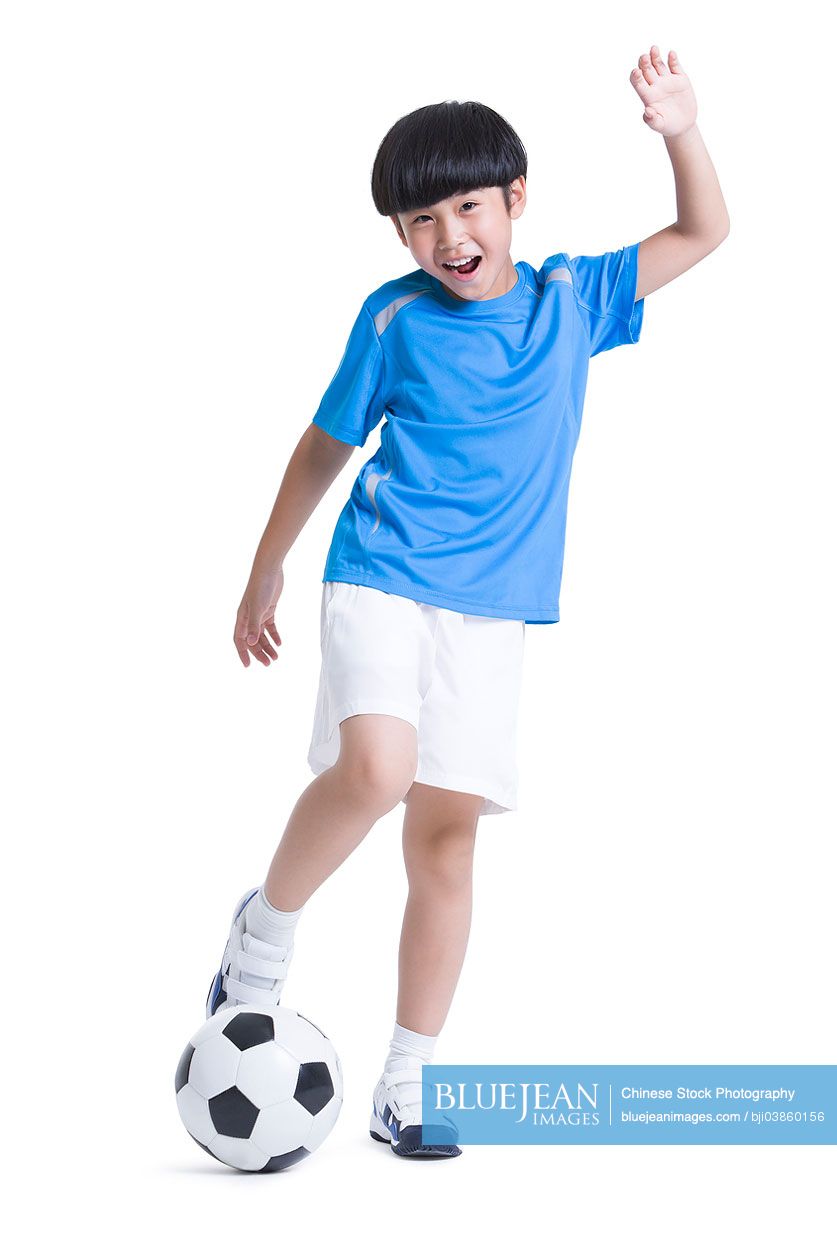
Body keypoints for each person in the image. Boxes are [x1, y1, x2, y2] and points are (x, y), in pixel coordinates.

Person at [206, 47, 730, 1159]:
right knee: (377, 770)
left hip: (494, 613)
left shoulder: (571, 299)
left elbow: (701, 233)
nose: (450, 236)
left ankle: (406, 1083)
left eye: (468, 206)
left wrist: (680, 128)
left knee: (445, 844)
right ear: (398, 236)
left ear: (514, 199)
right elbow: (324, 446)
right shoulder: (393, 317)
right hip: (385, 572)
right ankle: (261, 939)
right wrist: (267, 565)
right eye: (421, 219)